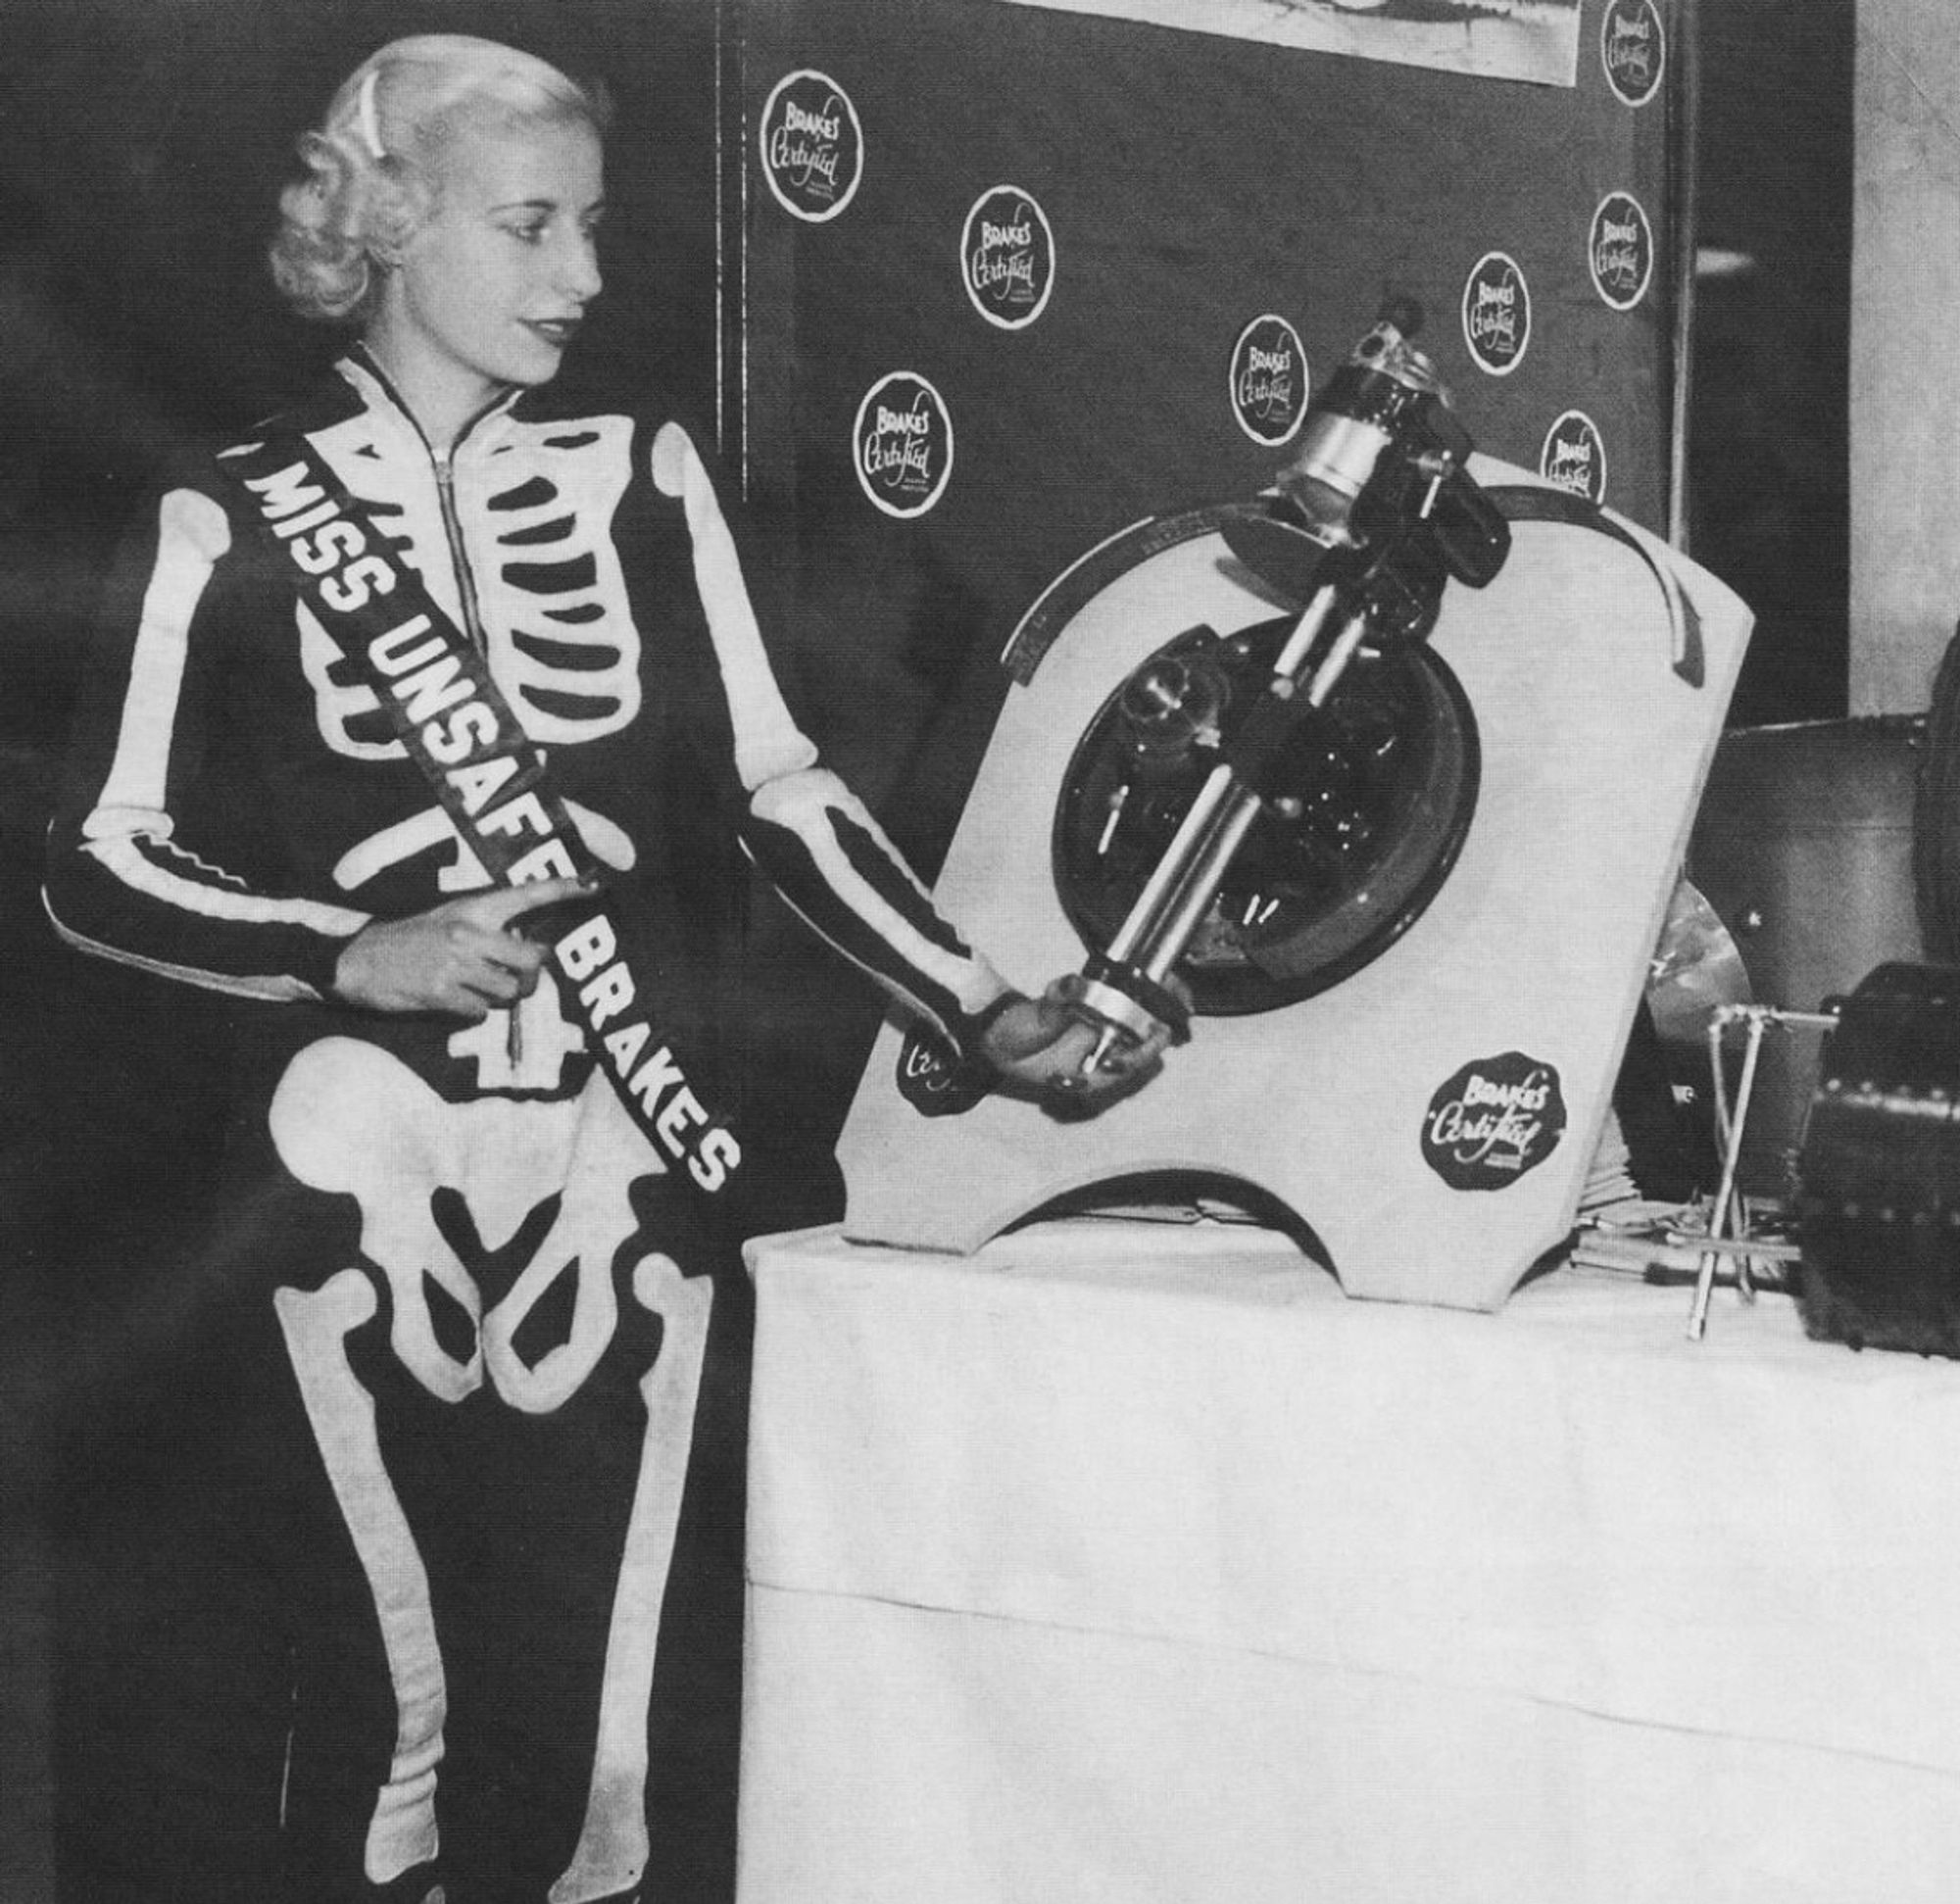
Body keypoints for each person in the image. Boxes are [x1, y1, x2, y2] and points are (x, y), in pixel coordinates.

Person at [43, 33, 1169, 1904]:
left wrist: (974, 1005)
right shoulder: (224, 502)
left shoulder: (646, 476)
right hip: (343, 1164)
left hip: (610, 1148)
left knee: (618, 1728)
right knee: (362, 1713)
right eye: (531, 224)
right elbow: (96, 862)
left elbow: (778, 788)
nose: (584, 275)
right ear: (392, 224)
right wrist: (346, 947)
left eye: (592, 228)